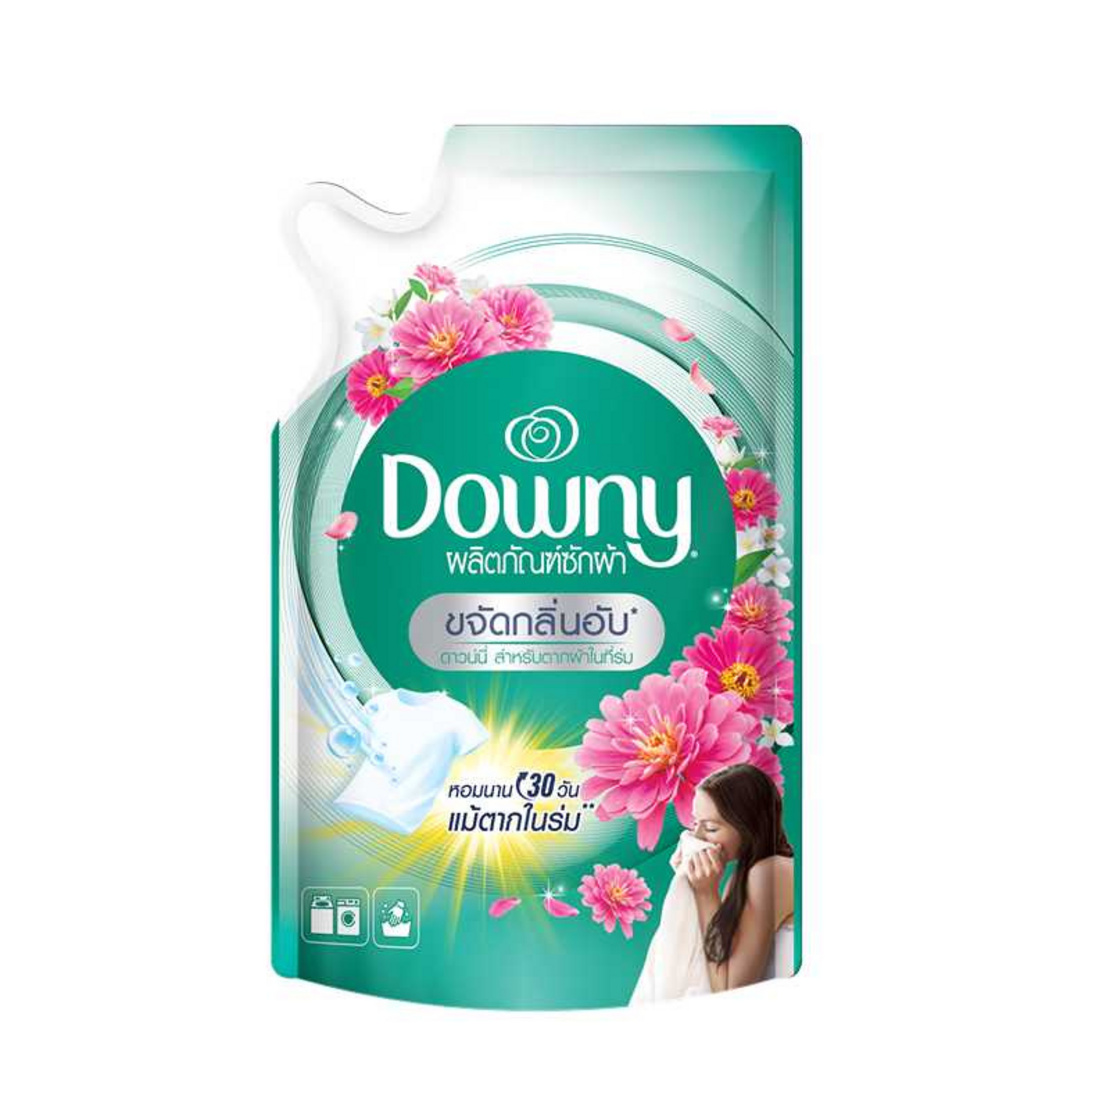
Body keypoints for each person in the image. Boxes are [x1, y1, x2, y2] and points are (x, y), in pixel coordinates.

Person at [679, 763, 794, 989]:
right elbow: (708, 959)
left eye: (710, 828)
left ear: (748, 827)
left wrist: (705, 893)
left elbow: (728, 988)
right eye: (695, 823)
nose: (697, 836)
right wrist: (687, 884)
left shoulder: (770, 873)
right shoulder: (741, 879)